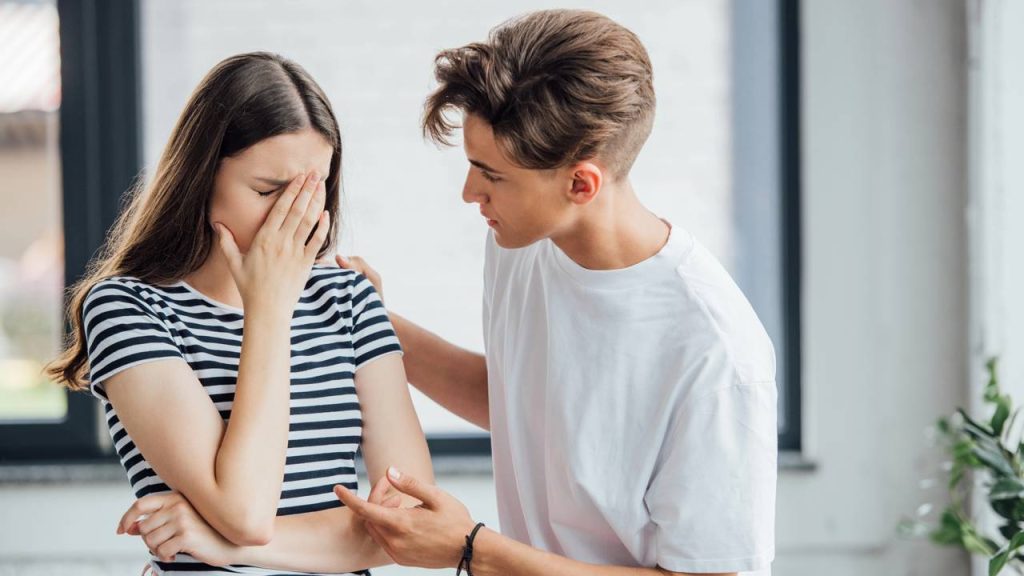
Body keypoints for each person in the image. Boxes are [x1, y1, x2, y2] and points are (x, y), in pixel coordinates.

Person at [333, 9, 778, 576]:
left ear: (580, 183)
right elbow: (528, 404)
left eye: (492, 175)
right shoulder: (522, 241)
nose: (471, 193)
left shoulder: (715, 353)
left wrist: (473, 549)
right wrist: (368, 321)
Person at [46, 52, 432, 576]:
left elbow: (411, 527)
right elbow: (245, 511)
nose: (290, 215)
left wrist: (223, 544)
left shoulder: (349, 297)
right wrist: (268, 306)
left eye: (310, 190)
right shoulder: (126, 308)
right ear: (201, 179)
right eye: (268, 191)